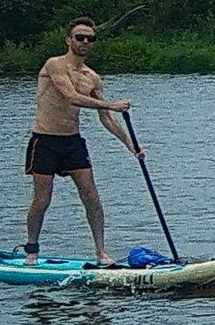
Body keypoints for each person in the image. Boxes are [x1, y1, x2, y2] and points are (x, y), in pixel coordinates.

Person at [26, 16, 137, 264]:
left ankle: (100, 252)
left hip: (72, 142)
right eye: (80, 37)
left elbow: (106, 118)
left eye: (90, 38)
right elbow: (70, 96)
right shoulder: (54, 65)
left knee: (91, 195)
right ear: (69, 40)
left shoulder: (92, 77)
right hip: (44, 140)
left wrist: (132, 146)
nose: (85, 41)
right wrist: (112, 104)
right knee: (42, 199)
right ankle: (31, 250)